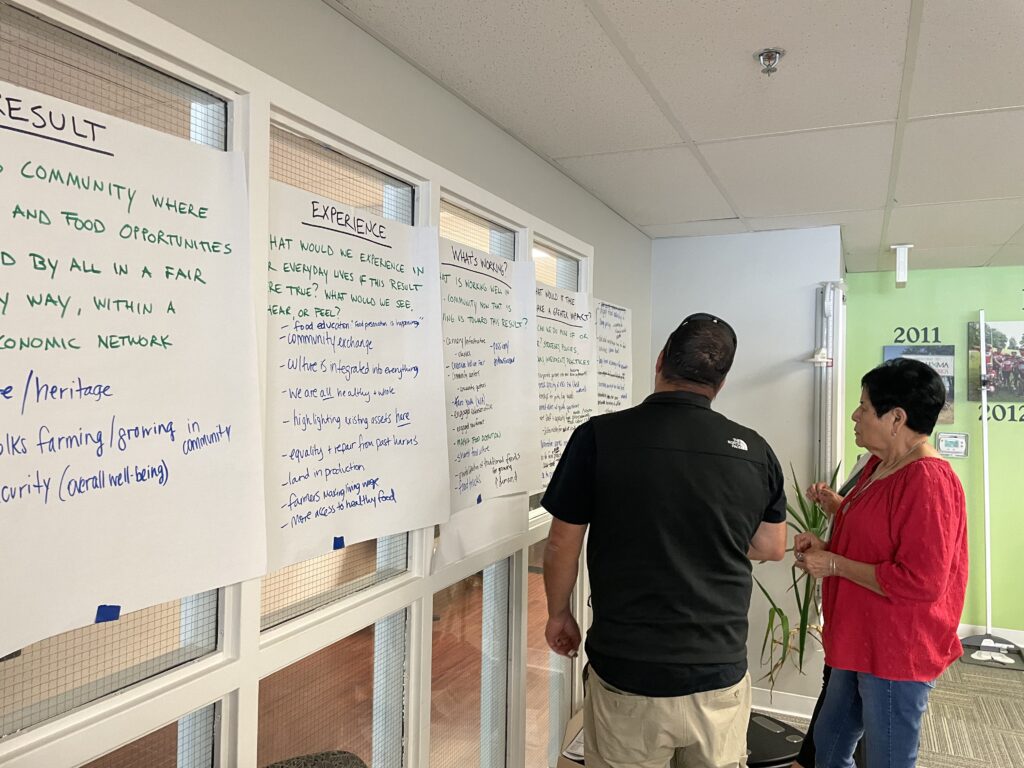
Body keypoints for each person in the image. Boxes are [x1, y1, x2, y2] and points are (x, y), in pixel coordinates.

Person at [542, 312, 788, 768]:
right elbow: (772, 546)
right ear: (722, 381)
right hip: (717, 672)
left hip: (628, 673)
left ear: (660, 361)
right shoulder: (754, 450)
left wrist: (559, 614)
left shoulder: (598, 437)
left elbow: (561, 543)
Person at [794, 358, 968, 768]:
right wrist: (828, 536)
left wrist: (833, 565)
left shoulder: (928, 480)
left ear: (896, 418)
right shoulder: (878, 465)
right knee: (830, 746)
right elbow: (879, 535)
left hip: (896, 651)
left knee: (888, 759)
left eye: (864, 407)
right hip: (857, 639)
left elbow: (922, 581)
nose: (855, 415)